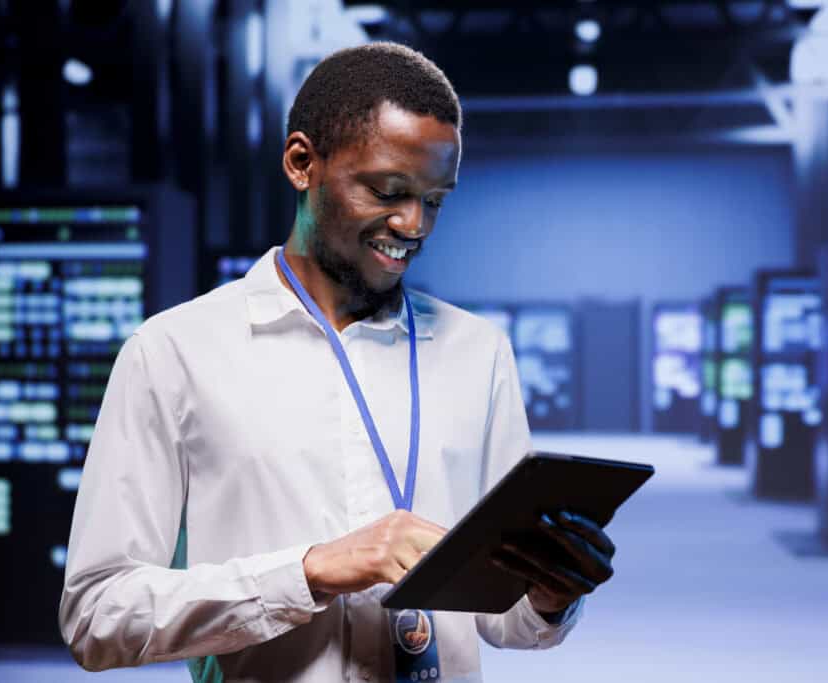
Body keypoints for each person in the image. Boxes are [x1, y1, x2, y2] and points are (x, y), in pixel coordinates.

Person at [59, 42, 617, 682]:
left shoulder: (478, 353)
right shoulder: (174, 355)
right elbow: (96, 617)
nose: (414, 225)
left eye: (435, 200)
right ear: (302, 163)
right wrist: (308, 572)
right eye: (388, 191)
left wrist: (550, 592)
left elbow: (502, 620)